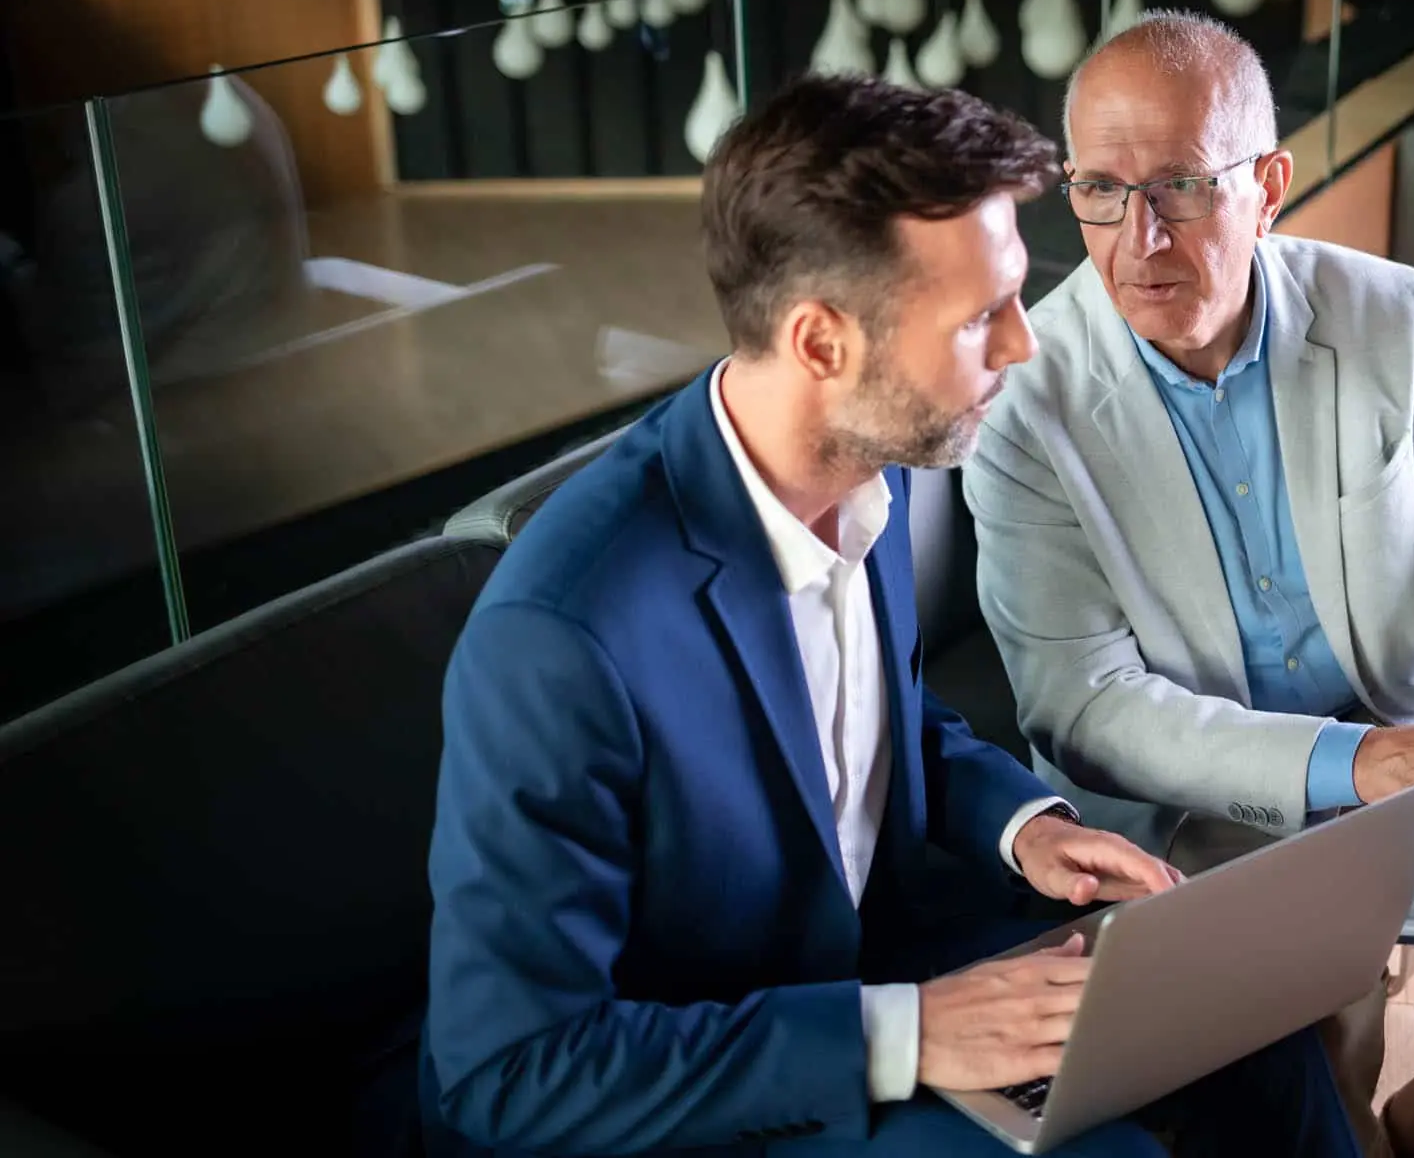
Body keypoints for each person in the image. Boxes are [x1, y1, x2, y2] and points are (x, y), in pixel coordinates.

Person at [419, 74, 1364, 1158]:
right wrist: (912, 1034)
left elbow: (872, 721)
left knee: (1246, 1019)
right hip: (714, 1080)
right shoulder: (560, 635)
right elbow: (509, 1074)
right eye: (978, 318)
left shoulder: (876, 456)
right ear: (823, 343)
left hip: (880, 959)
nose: (1021, 344)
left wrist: (1028, 827)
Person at [959, 11, 1414, 1158]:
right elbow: (1082, 709)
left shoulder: (1390, 315)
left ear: (1269, 185)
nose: (1137, 237)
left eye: (1183, 187)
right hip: (1197, 819)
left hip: (1410, 753)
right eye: (1099, 190)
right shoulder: (1022, 402)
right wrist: (1346, 766)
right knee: (1319, 1099)